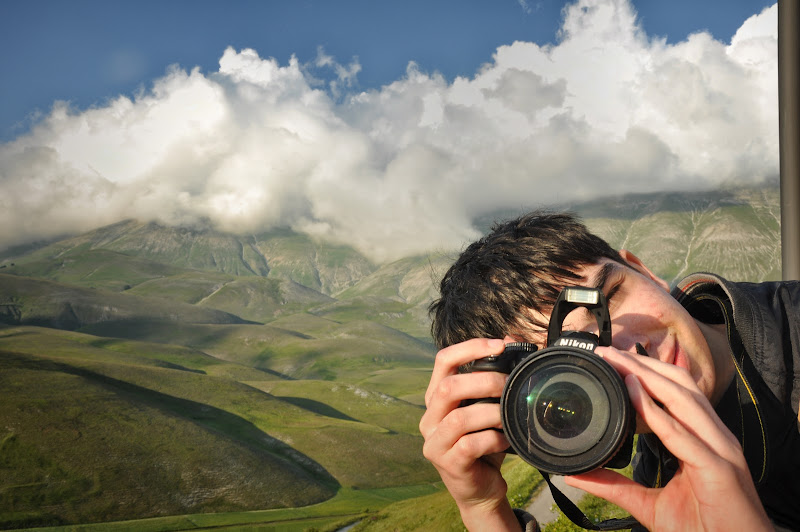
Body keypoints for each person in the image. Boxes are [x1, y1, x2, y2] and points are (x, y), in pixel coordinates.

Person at [419, 211, 800, 531]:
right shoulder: (661, 482)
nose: (627, 350)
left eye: (611, 298)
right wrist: (484, 509)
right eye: (571, 365)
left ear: (643, 270)